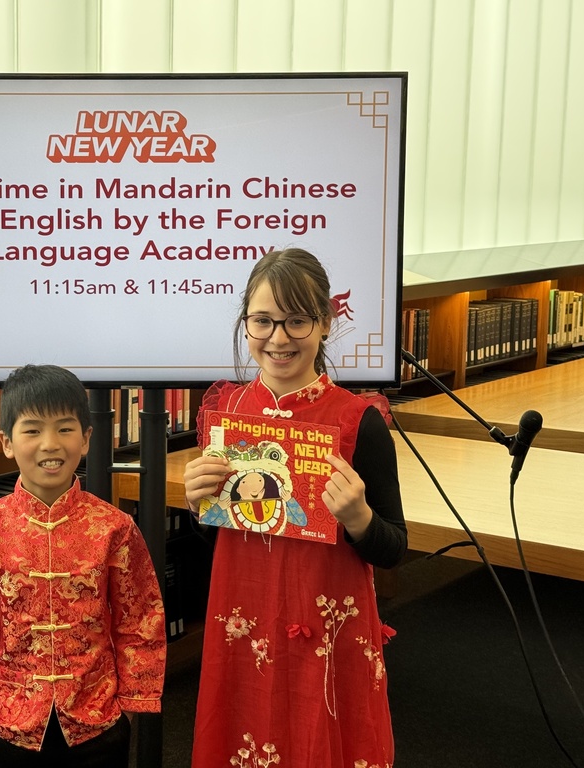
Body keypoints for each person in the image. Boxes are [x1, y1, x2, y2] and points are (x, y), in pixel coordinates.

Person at [184, 248, 408, 767]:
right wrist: (199, 507)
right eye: (263, 321)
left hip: (329, 625)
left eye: (297, 321)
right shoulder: (226, 411)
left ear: (326, 323)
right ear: (246, 323)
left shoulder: (359, 422)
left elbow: (395, 547)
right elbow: (220, 535)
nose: (279, 338)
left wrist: (359, 520)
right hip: (243, 621)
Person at [0, 364, 166, 768]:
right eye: (32, 430)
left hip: (98, 718)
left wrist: (131, 702)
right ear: (6, 442)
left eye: (65, 429)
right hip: (12, 719)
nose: (50, 444)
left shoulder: (114, 527)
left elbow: (141, 616)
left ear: (87, 439)